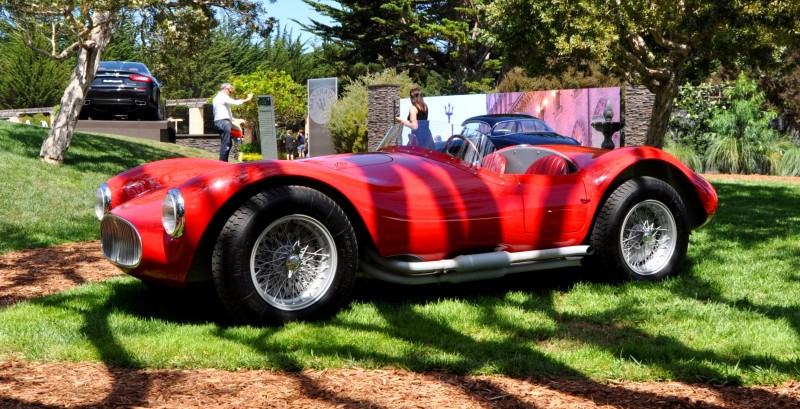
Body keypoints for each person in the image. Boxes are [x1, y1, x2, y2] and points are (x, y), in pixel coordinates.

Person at [212, 83, 253, 161]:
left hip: (220, 122)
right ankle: (223, 163)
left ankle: (224, 162)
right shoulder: (222, 96)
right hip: (223, 123)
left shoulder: (217, 98)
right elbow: (235, 102)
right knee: (226, 144)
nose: (230, 93)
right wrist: (248, 99)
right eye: (230, 91)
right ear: (224, 89)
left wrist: (232, 119)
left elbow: (220, 112)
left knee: (228, 143)